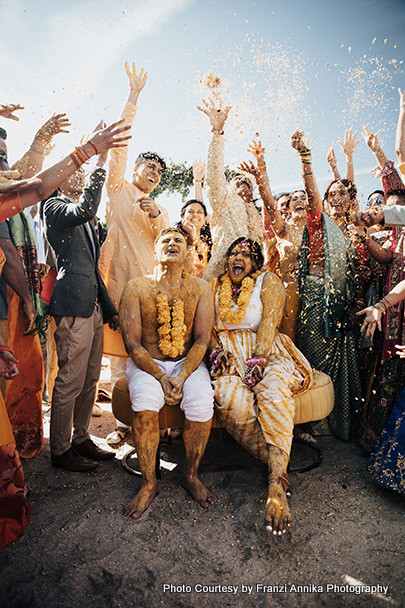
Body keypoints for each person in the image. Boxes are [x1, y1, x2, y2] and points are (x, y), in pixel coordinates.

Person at [209, 237, 312, 535]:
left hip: (266, 351)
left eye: (246, 254)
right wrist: (217, 351)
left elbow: (269, 322)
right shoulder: (215, 285)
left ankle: (276, 485)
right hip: (229, 354)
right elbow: (207, 328)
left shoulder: (268, 280)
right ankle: (278, 460)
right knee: (228, 399)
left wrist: (259, 361)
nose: (237, 258)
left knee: (273, 390)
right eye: (233, 253)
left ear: (256, 262)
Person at [119, 227, 216, 519]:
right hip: (147, 362)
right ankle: (149, 484)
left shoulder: (200, 288)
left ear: (188, 253)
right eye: (166, 240)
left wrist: (182, 375)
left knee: (201, 401)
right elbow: (132, 344)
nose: (172, 243)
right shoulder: (136, 287)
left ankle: (190, 474)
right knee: (146, 401)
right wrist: (161, 377)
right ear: (155, 251)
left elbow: (201, 340)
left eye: (179, 241)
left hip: (187, 363)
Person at [98, 63, 169, 445]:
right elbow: (119, 146)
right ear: (136, 166)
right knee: (119, 362)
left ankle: (148, 417)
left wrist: (157, 214)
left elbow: (169, 240)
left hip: (147, 291)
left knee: (149, 354)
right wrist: (133, 96)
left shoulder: (160, 208)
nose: (154, 171)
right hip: (114, 285)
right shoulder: (118, 189)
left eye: (159, 169)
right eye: (149, 164)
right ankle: (122, 425)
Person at [43, 147, 120, 471]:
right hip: (72, 307)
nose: (79, 172)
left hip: (93, 310)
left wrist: (110, 309)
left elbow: (92, 269)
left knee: (90, 380)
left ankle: (81, 438)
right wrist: (100, 164)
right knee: (70, 381)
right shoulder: (53, 205)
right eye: (73, 169)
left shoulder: (86, 221)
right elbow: (88, 207)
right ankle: (60, 451)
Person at [291, 130, 365, 441]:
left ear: (351, 199)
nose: (335, 198)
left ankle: (335, 420)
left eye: (342, 194)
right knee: (311, 359)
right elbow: (310, 198)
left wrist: (357, 305)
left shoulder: (359, 229)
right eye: (331, 194)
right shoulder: (319, 224)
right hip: (313, 298)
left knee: (344, 366)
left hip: (345, 304)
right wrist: (306, 160)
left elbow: (362, 273)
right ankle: (310, 422)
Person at [239, 139, 307, 341]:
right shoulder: (283, 230)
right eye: (294, 199)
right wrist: (261, 170)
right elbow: (269, 203)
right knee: (288, 342)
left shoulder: (320, 230)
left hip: (317, 295)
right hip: (288, 293)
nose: (298, 201)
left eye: (303, 197)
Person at [197, 97, 265, 282]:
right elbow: (213, 176)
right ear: (228, 187)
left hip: (254, 280)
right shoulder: (224, 200)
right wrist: (217, 132)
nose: (244, 182)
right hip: (219, 277)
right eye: (237, 180)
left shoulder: (256, 214)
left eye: (248, 183)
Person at [176, 199, 212, 277]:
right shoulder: (176, 240)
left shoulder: (209, 243)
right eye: (191, 212)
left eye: (200, 212)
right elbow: (185, 272)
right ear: (183, 217)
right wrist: (191, 236)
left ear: (205, 218)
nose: (195, 214)